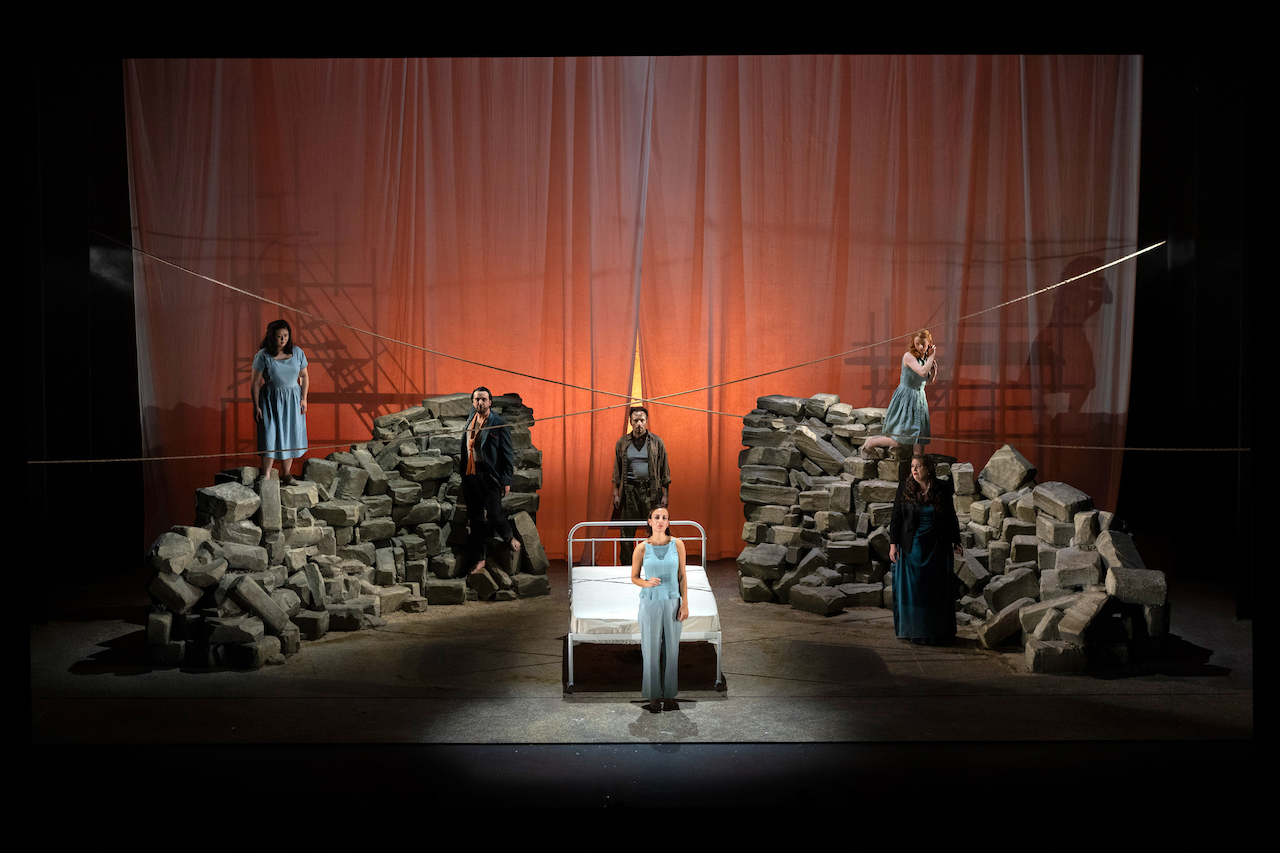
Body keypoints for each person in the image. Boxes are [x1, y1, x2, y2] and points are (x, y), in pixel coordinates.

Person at [888, 455, 964, 645]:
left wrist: (956, 540)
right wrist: (893, 544)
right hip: (912, 547)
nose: (914, 470)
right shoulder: (904, 488)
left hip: (937, 547)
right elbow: (896, 518)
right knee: (915, 591)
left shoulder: (942, 487)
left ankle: (936, 632)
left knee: (934, 589)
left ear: (928, 468)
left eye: (919, 466)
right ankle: (914, 630)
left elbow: (950, 515)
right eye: (912, 466)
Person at [631, 505, 688, 713]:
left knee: (672, 650)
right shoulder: (641, 548)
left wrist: (685, 603)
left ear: (668, 522)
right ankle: (653, 696)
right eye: (657, 517)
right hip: (650, 602)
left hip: (672, 601)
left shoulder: (678, 544)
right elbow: (634, 577)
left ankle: (670, 696)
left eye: (664, 517)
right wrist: (647, 583)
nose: (660, 521)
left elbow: (682, 575)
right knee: (651, 650)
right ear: (649, 521)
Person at [459, 386, 521, 575]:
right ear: (473, 402)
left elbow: (508, 454)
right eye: (477, 399)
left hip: (489, 475)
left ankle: (508, 536)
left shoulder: (498, 423)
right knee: (475, 518)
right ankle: (481, 558)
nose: (480, 402)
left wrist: (506, 480)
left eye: (484, 399)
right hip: (470, 474)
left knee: (494, 513)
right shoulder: (471, 418)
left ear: (490, 402)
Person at [861, 328, 938, 457]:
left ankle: (916, 466)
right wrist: (931, 356)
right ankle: (871, 442)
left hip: (919, 398)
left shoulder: (925, 358)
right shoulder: (909, 356)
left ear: (929, 344)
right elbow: (922, 372)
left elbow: (927, 381)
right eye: (917, 343)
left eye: (923, 344)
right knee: (898, 441)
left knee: (919, 439)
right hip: (906, 398)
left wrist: (934, 371)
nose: (920, 347)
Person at [252, 319, 309, 484]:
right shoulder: (263, 355)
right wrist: (256, 406)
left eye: (286, 335)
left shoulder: (297, 352)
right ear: (272, 337)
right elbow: (255, 383)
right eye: (279, 336)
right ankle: (266, 475)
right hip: (270, 400)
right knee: (269, 435)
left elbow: (304, 376)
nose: (283, 339)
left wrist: (304, 398)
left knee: (291, 433)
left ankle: (287, 474)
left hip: (293, 400)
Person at [612, 407, 672, 564]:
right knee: (626, 531)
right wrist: (616, 493)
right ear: (630, 422)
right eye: (635, 420)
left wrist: (665, 494)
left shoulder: (657, 442)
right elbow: (617, 468)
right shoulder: (622, 443)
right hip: (629, 492)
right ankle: (627, 565)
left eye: (642, 420)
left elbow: (664, 468)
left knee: (657, 528)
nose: (639, 423)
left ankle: (659, 562)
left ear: (646, 421)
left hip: (651, 491)